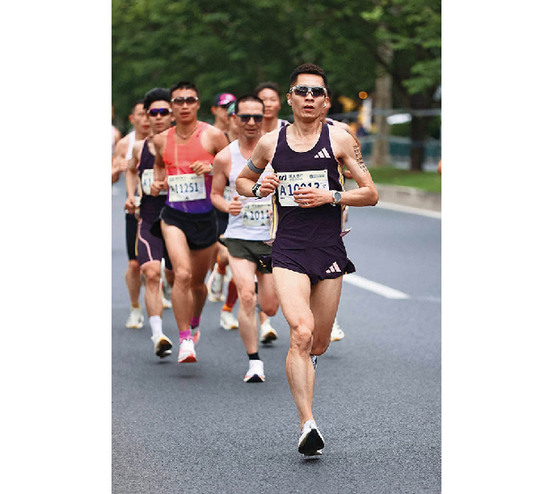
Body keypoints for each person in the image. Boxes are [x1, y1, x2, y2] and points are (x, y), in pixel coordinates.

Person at [236, 64, 379, 456]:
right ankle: (307, 424)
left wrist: (332, 196)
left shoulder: (340, 138)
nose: (309, 98)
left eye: (317, 92)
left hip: (329, 249)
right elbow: (242, 182)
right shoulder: (270, 143)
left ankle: (307, 367)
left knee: (318, 342)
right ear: (290, 98)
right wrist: (258, 187)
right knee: (300, 331)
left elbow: (370, 193)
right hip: (288, 250)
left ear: (326, 101)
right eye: (302, 91)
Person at [151, 80, 228, 364]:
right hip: (174, 215)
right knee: (181, 275)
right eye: (178, 101)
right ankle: (185, 340)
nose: (184, 106)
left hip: (205, 217)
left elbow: (233, 168)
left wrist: (210, 167)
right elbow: (159, 166)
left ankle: (194, 323)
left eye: (190, 100)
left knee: (197, 283)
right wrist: (158, 183)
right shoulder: (161, 139)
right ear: (172, 106)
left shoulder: (214, 136)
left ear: (197, 104)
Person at [211, 95, 279, 382]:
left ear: (264, 118)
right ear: (234, 119)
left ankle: (261, 293)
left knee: (271, 306)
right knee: (247, 297)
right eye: (245, 117)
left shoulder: (276, 151)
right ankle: (254, 362)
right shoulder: (225, 157)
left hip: (272, 239)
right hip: (239, 237)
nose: (251, 122)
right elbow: (215, 194)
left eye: (257, 117)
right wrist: (228, 206)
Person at [125, 88, 175, 358]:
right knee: (151, 273)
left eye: (163, 112)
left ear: (172, 114)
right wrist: (131, 195)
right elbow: (130, 169)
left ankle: (188, 329)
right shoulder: (139, 147)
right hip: (149, 217)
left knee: (178, 277)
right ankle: (158, 335)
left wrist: (170, 183)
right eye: (152, 112)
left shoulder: (183, 146)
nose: (157, 117)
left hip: (179, 219)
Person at [112, 101, 151, 329]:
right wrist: (118, 168)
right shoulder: (125, 144)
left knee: (169, 267)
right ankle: (136, 308)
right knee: (135, 264)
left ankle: (164, 284)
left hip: (164, 207)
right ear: (132, 118)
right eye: (141, 114)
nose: (146, 119)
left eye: (150, 114)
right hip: (135, 209)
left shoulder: (164, 140)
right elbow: (112, 177)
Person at [207, 92, 240, 332]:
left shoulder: (261, 141)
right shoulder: (218, 139)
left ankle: (228, 310)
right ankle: (219, 268)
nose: (247, 122)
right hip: (221, 204)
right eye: (237, 115)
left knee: (243, 266)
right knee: (227, 256)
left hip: (251, 208)